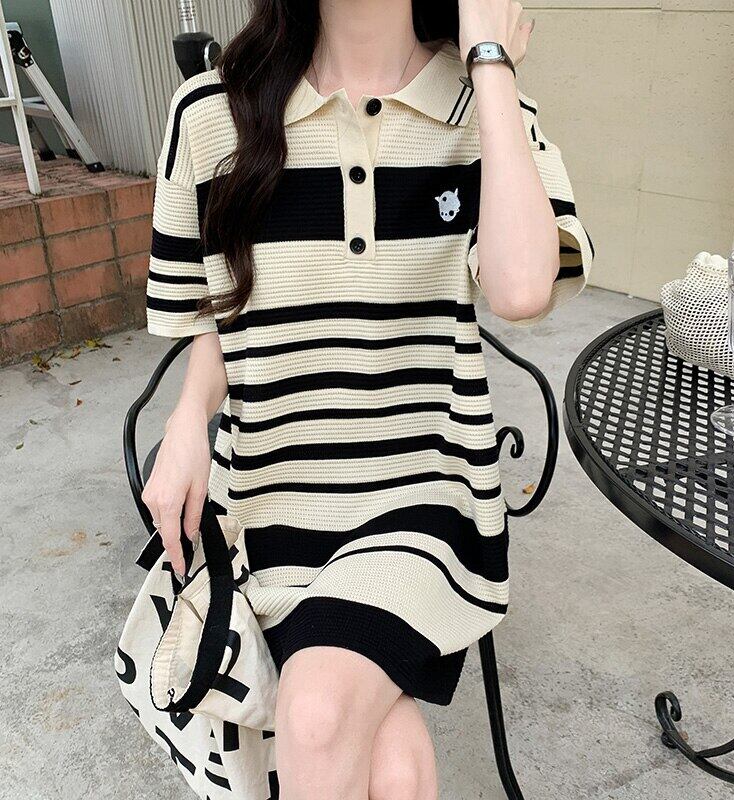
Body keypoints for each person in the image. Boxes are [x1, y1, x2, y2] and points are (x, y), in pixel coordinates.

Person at [142, 0, 592, 797]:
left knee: (317, 716)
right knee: (391, 764)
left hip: (424, 494)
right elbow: (216, 318)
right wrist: (185, 421)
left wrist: (490, 64)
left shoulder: (485, 105)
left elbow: (523, 289)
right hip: (269, 501)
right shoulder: (211, 113)